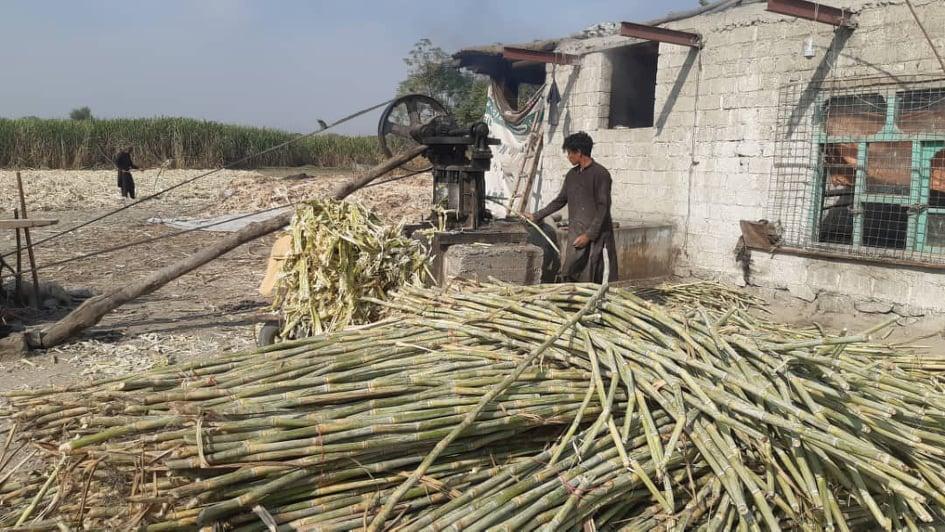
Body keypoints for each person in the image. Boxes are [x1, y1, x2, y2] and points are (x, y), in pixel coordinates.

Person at [527, 132, 617, 283]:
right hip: (576, 232)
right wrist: (536, 215)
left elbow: (603, 208)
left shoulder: (601, 174)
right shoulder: (571, 175)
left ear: (579, 152)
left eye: (569, 152)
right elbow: (560, 201)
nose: (568, 156)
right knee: (571, 271)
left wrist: (588, 236)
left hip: (597, 235)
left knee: (594, 274)